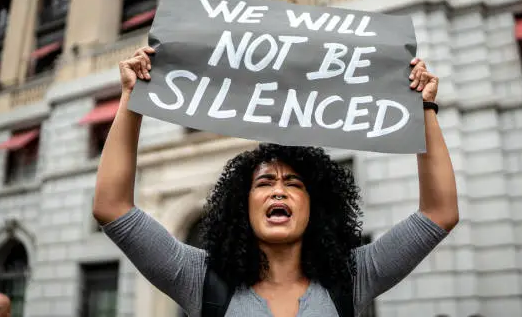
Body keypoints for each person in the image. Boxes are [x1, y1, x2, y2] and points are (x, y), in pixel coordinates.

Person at [93, 46, 459, 317]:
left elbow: (439, 213)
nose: (279, 190)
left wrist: (424, 110)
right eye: (265, 182)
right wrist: (130, 99)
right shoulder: (199, 279)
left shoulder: (353, 277)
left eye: (295, 184)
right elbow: (113, 208)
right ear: (243, 204)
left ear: (315, 207)